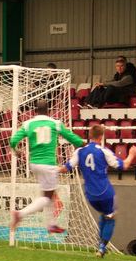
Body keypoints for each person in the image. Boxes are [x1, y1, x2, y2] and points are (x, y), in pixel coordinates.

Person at [59, 125, 136, 257]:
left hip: (90, 195)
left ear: (90, 136)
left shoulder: (79, 151)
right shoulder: (103, 151)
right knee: (111, 216)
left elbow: (66, 168)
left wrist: (50, 169)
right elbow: (124, 165)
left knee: (104, 214)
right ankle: (101, 247)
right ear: (101, 136)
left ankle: (100, 246)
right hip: (105, 192)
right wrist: (131, 154)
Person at [8, 100, 84, 235]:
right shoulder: (55, 123)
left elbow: (13, 140)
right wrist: (82, 143)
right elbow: (73, 139)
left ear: (35, 111)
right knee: (48, 197)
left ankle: (51, 225)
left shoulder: (28, 124)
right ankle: (20, 214)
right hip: (48, 164)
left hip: (34, 164)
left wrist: (16, 150)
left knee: (48, 193)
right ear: (48, 111)